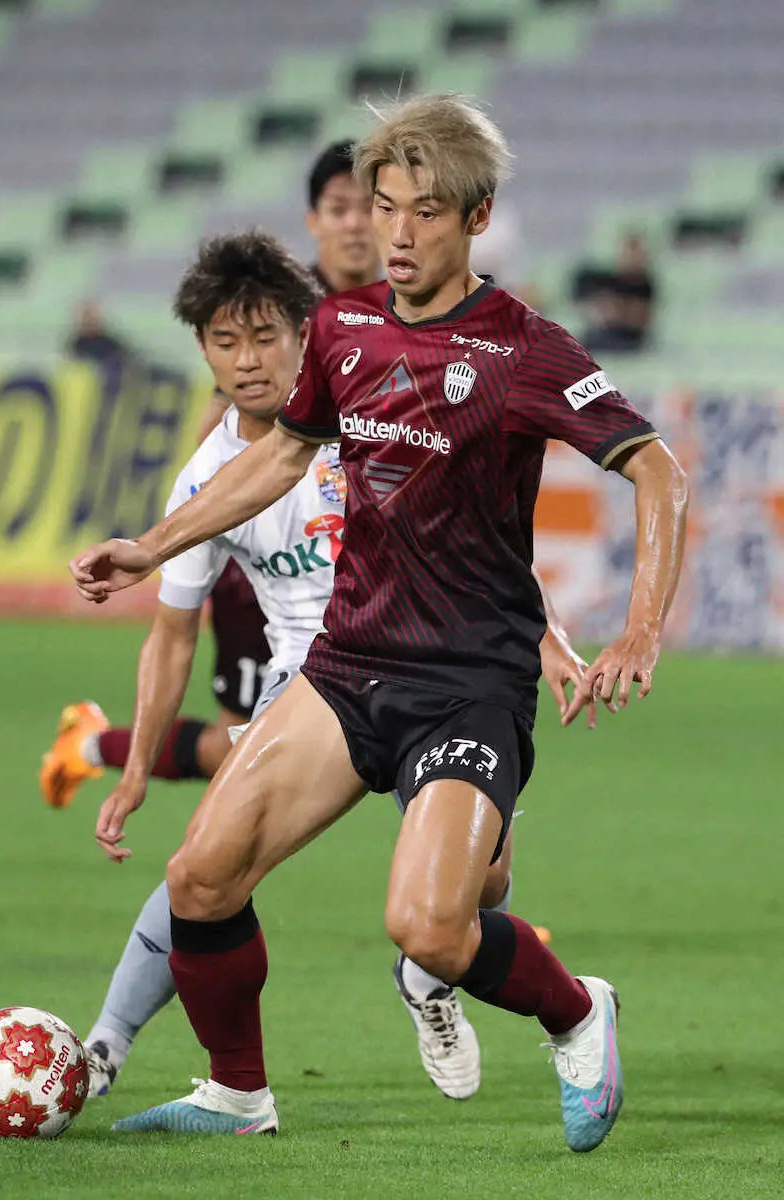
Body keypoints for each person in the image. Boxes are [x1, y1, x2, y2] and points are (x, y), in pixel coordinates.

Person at [71, 95, 690, 1152]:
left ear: (477, 218)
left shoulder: (524, 349)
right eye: (384, 207)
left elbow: (657, 470)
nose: (395, 234)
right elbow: (281, 451)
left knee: (431, 928)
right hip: (347, 666)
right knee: (200, 877)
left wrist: (638, 630)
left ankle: (576, 1013)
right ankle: (237, 1094)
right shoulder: (341, 328)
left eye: (424, 213)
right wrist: (154, 544)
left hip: (467, 683)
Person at [68, 230, 594, 1105]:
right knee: (208, 864)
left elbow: (473, 543)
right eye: (225, 342)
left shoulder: (376, 408)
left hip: (437, 659)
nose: (247, 361)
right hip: (315, 679)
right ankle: (117, 1046)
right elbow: (172, 633)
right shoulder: (207, 479)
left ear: (304, 332)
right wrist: (134, 767)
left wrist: (544, 636)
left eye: (265, 337)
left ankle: (428, 974)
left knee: (485, 881)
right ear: (201, 349)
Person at [41, 141, 383, 807]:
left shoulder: (405, 309)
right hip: (271, 560)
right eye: (337, 208)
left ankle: (97, 746)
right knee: (248, 750)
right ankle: (99, 748)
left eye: (366, 208)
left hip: (371, 592)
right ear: (313, 221)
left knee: (267, 751)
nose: (352, 224)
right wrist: (222, 521)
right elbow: (227, 434)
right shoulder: (278, 305)